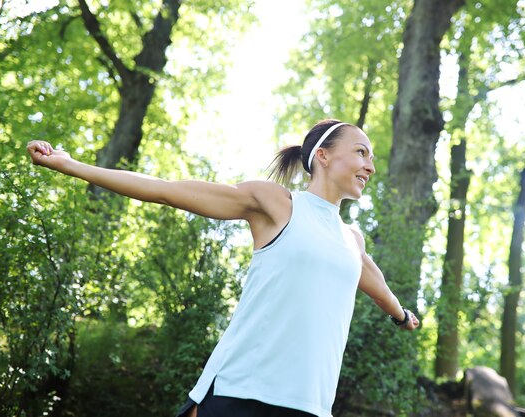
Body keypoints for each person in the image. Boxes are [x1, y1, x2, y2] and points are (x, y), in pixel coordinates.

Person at [27, 119, 419, 417]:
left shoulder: (352, 239)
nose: (370, 166)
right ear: (323, 155)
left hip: (311, 405)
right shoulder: (277, 204)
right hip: (241, 391)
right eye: (362, 152)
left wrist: (400, 315)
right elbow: (166, 189)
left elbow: (371, 277)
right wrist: (72, 166)